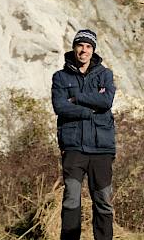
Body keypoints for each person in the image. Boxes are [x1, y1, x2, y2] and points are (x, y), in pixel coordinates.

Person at [51, 29, 116, 240]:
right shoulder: (60, 77)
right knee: (71, 199)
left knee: (103, 200)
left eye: (88, 46)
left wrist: (76, 98)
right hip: (73, 148)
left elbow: (106, 102)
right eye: (80, 45)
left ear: (93, 50)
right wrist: (89, 108)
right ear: (74, 48)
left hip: (102, 148)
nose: (84, 50)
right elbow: (60, 107)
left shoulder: (105, 74)